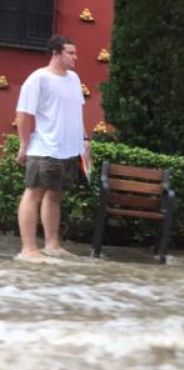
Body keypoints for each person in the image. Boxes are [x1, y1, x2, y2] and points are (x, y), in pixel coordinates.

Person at [15, 35, 86, 261]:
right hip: (44, 148)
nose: (76, 57)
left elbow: (76, 113)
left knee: (54, 196)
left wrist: (84, 141)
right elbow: (23, 114)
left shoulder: (74, 78)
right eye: (71, 53)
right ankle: (28, 249)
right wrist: (24, 144)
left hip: (68, 150)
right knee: (33, 194)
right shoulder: (38, 79)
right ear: (56, 53)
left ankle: (52, 245)